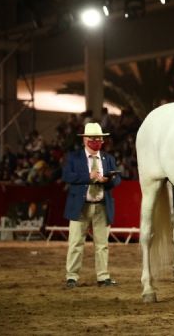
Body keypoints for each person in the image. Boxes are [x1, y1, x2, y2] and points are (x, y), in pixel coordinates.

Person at [63, 122, 122, 288]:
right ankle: (72, 277)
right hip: (80, 207)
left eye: (99, 138)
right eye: (93, 138)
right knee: (76, 243)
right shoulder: (73, 157)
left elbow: (117, 179)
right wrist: (88, 177)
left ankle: (103, 277)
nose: (96, 141)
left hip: (102, 205)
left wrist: (107, 180)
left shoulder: (108, 158)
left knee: (102, 244)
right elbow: (67, 176)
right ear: (84, 139)